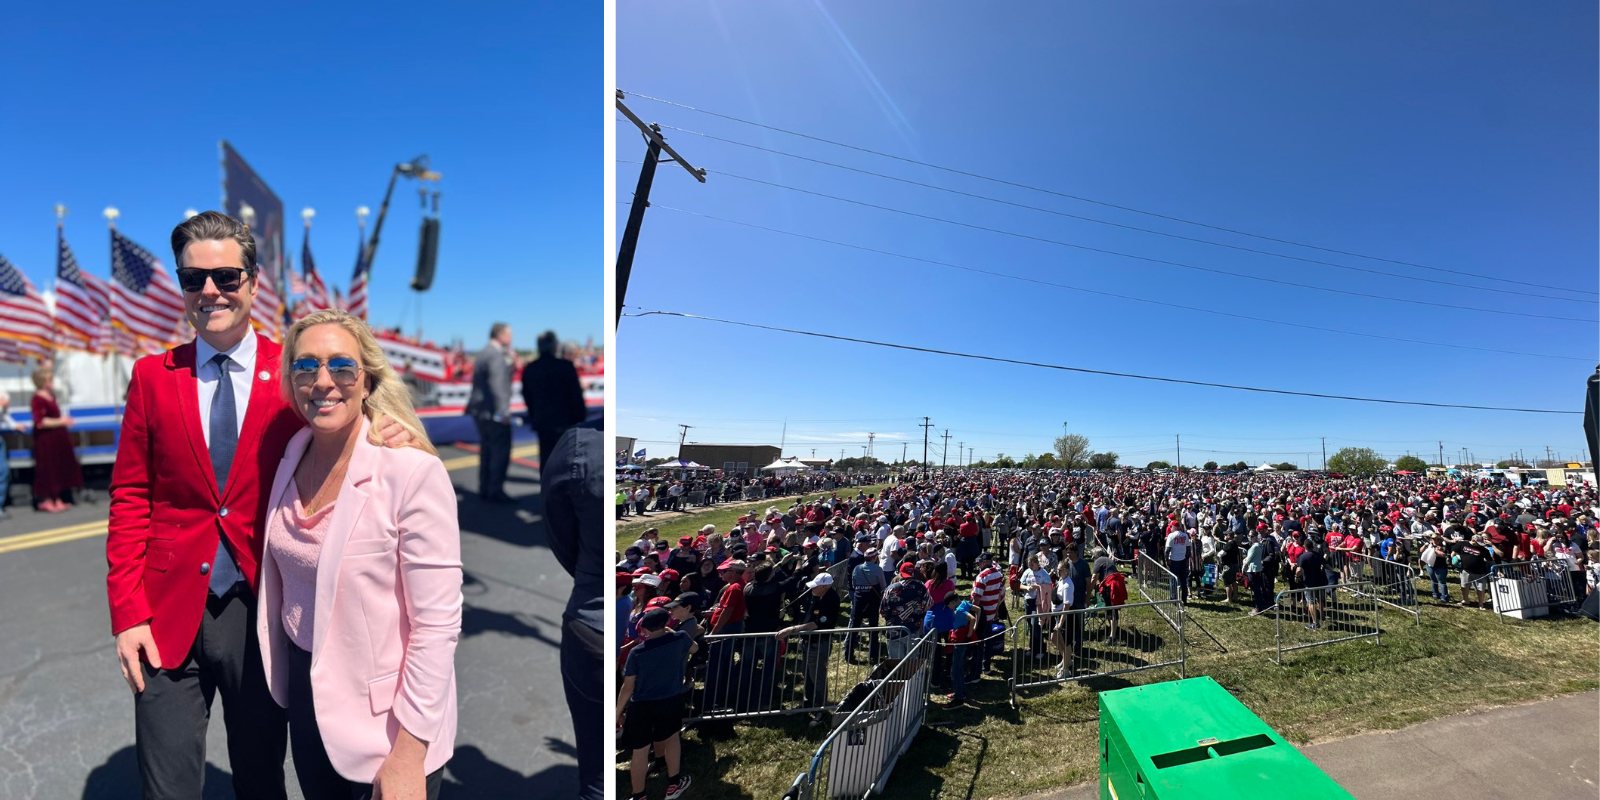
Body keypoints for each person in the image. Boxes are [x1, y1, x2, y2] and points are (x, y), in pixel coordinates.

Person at [105, 213, 414, 800]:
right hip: (166, 609)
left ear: (251, 281)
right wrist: (127, 613)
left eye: (225, 275)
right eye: (193, 279)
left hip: (263, 608)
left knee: (261, 778)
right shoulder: (152, 376)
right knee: (165, 787)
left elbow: (344, 418)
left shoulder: (294, 372)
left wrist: (384, 431)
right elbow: (130, 497)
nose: (210, 291)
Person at [257, 310, 462, 798]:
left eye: (341, 367)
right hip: (307, 703)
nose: (323, 381)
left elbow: (437, 626)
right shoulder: (292, 452)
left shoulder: (410, 471)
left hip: (386, 727)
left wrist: (408, 756)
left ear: (366, 379)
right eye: (305, 367)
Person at [541, 422, 604, 800]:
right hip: (595, 617)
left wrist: (589, 576)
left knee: (596, 772)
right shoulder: (581, 445)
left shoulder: (579, 444)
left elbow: (560, 534)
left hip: (589, 618)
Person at [617, 608, 696, 800]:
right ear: (666, 623)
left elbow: (627, 687)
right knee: (671, 739)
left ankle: (639, 795)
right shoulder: (679, 638)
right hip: (670, 700)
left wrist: (617, 712)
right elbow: (694, 648)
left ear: (644, 628)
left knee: (640, 750)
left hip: (641, 704)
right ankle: (674, 784)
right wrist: (671, 632)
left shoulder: (636, 652)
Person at [780, 572, 840, 724]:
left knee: (817, 677)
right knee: (807, 674)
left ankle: (820, 709)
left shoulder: (831, 600)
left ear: (825, 586)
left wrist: (793, 629)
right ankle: (807, 704)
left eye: (816, 586)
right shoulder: (817, 596)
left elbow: (817, 624)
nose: (812, 589)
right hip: (808, 642)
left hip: (818, 644)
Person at [519, 330, 587, 464]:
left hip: (542, 422)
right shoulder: (565, 367)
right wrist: (580, 419)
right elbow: (575, 396)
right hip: (564, 423)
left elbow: (527, 396)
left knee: (546, 461)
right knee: (566, 462)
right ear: (555, 346)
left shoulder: (531, 368)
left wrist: (534, 416)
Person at [465, 321, 515, 503]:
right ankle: (495, 490)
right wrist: (503, 411)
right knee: (499, 452)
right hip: (493, 412)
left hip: (480, 411)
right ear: (500, 335)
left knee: (486, 450)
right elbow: (497, 385)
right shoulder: (495, 356)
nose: (511, 338)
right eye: (509, 334)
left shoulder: (483, 353)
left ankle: (484, 488)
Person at [30, 364, 83, 512]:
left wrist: (62, 421)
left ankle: (58, 498)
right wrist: (61, 421)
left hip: (57, 438)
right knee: (47, 469)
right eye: (48, 380)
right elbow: (40, 421)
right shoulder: (37, 398)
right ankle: (47, 500)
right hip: (46, 440)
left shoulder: (52, 396)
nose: (51, 382)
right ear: (42, 381)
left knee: (58, 468)